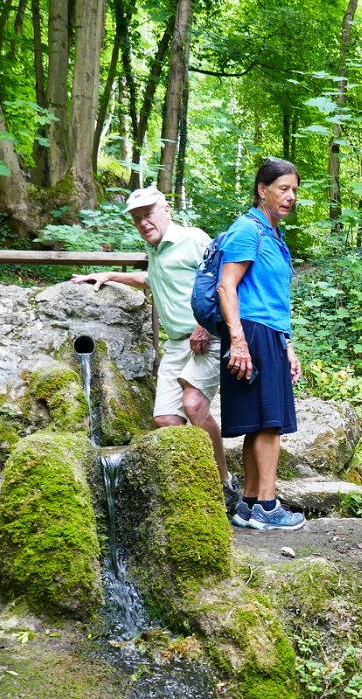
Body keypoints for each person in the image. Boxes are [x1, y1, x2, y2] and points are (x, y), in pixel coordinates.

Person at [70, 187, 240, 514]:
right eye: (137, 218)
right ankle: (196, 478)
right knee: (165, 418)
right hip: (177, 343)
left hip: (207, 336)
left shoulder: (193, 239)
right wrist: (110, 275)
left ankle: (224, 483)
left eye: (148, 214)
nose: (144, 222)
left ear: (166, 210)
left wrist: (204, 324)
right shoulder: (155, 249)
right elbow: (154, 279)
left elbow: (224, 282)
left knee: (194, 405)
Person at [218, 158, 306, 531]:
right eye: (283, 188)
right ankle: (269, 508)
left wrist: (288, 346)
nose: (290, 196)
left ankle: (250, 504)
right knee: (270, 424)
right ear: (262, 189)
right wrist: (238, 340)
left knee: (258, 423)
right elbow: (226, 286)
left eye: (294, 190)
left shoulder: (273, 235)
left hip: (268, 332)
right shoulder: (247, 229)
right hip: (252, 332)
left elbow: (273, 297)